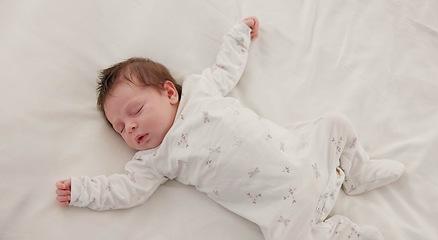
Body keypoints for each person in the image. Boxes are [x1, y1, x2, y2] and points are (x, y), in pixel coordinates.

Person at [55, 17, 404, 240]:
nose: (130, 128)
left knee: (334, 124)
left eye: (135, 111)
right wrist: (85, 191)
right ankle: (342, 233)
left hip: (309, 158)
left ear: (169, 92)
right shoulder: (156, 158)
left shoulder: (200, 90)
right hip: (283, 210)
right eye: (120, 128)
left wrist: (239, 36)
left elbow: (226, 68)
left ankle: (358, 171)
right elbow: (126, 189)